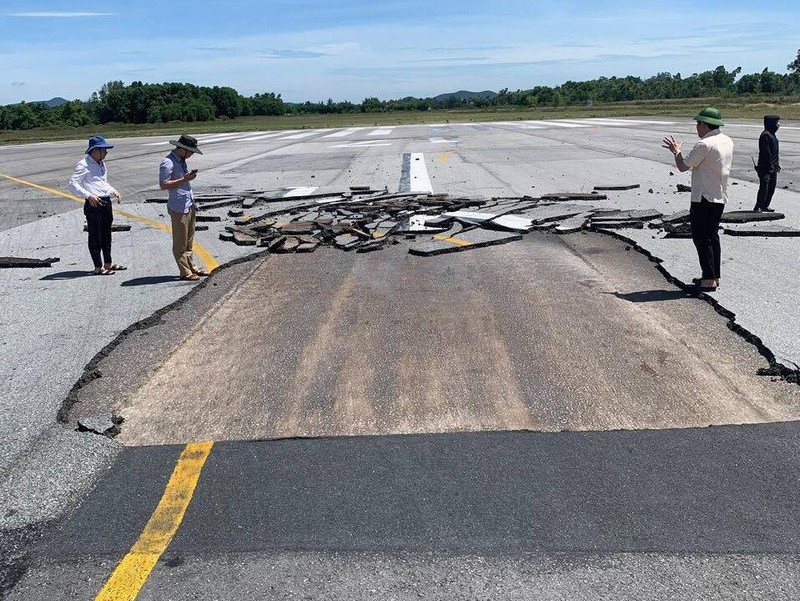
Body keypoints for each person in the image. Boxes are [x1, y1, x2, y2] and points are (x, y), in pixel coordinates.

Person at [662, 107, 734, 292]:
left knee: (702, 238)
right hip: (719, 194)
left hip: (703, 197)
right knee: (712, 236)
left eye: (698, 124)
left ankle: (709, 279)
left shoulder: (704, 144)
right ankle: (713, 275)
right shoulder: (727, 140)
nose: (697, 127)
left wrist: (676, 151)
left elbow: (683, 166)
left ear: (704, 124)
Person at [67, 135, 125, 275]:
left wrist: (113, 190)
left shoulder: (101, 164)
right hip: (94, 203)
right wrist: (88, 195)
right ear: (95, 150)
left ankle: (108, 263)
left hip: (105, 201)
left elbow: (102, 183)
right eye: (104, 149)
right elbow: (72, 184)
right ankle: (98, 267)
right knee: (95, 236)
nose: (106, 152)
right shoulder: (84, 164)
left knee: (106, 234)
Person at [159, 134, 208, 281]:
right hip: (178, 206)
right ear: (183, 149)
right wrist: (184, 179)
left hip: (188, 204)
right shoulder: (168, 162)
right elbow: (163, 184)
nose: (192, 155)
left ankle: (192, 266)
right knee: (180, 242)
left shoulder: (181, 161)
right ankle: (185, 271)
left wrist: (186, 178)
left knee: (188, 241)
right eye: (191, 152)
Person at [753, 115, 781, 212]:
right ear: (771, 123)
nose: (778, 125)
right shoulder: (765, 135)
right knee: (764, 187)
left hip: (773, 167)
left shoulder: (772, 134)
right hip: (766, 167)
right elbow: (766, 153)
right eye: (777, 123)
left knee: (771, 187)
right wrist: (770, 166)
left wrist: (776, 164)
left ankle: (765, 205)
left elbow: (774, 152)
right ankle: (758, 206)